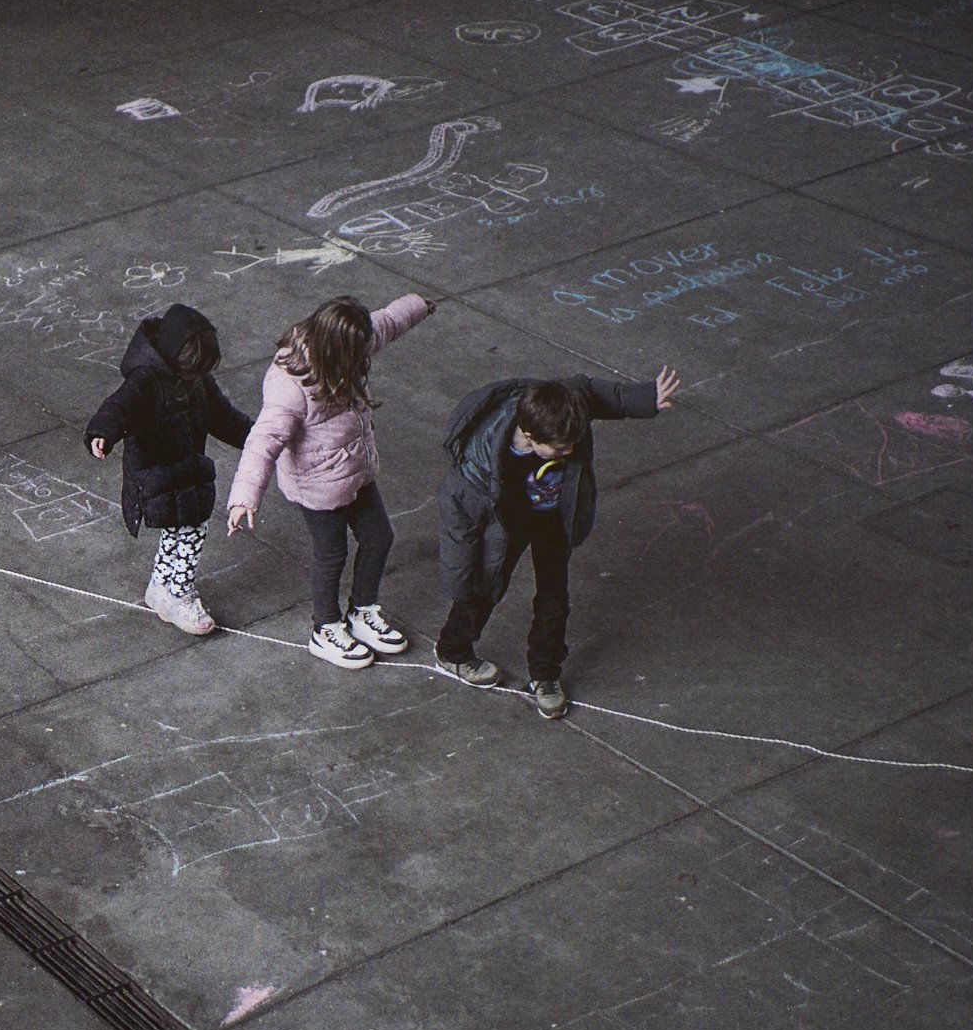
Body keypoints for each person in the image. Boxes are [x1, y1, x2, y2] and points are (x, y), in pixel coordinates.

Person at [431, 366, 680, 718]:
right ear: (530, 437)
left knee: (554, 597)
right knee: (482, 587)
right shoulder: (480, 461)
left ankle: (545, 674)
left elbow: (594, 392)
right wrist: (460, 579)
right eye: (561, 448)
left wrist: (645, 399)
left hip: (552, 520)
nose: (571, 451)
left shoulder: (565, 406)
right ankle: (452, 651)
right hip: (507, 522)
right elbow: (460, 525)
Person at [227, 293, 433, 669]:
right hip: (317, 485)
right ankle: (324, 628)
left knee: (378, 537)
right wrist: (244, 497)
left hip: (354, 469)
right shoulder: (289, 386)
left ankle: (362, 609)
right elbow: (263, 440)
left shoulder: (348, 342)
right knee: (331, 555)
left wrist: (418, 304)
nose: (362, 359)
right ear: (334, 346)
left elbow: (385, 323)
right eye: (355, 354)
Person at [86, 303, 252, 635]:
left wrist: (258, 440)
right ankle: (178, 592)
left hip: (187, 469)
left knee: (180, 531)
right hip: (156, 473)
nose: (197, 378)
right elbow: (117, 407)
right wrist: (102, 433)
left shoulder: (198, 382)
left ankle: (163, 586)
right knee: (190, 531)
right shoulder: (146, 379)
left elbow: (224, 417)